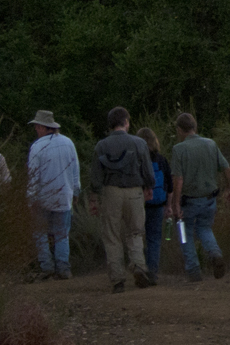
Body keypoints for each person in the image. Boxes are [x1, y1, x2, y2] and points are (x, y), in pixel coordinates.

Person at [90, 107, 154, 292]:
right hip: (134, 191)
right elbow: (148, 171)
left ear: (110, 124)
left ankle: (118, 280)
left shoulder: (101, 146)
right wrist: (148, 187)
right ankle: (139, 266)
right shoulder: (139, 143)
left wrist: (94, 198)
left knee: (112, 236)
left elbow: (95, 177)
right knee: (135, 232)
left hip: (111, 192)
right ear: (126, 122)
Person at [169, 113, 230, 282]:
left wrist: (175, 204)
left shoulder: (179, 149)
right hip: (209, 199)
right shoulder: (210, 144)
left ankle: (193, 270)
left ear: (179, 130)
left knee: (184, 232)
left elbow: (178, 179)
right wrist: (229, 189)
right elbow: (227, 168)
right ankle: (215, 253)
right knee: (205, 228)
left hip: (188, 201)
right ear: (195, 127)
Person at [26, 110, 80, 281]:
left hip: (43, 198)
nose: (36, 129)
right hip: (64, 196)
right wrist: (76, 192)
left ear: (43, 127)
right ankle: (63, 268)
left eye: (37, 126)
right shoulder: (68, 143)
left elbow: (33, 176)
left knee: (40, 233)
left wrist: (31, 199)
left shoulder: (37, 147)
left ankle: (47, 267)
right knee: (62, 233)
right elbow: (75, 170)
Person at [137, 127, 172, 286]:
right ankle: (153, 272)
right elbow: (169, 186)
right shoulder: (161, 160)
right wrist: (169, 206)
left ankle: (140, 268)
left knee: (136, 237)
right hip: (158, 204)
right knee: (154, 239)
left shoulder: (136, 160)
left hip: (139, 203)